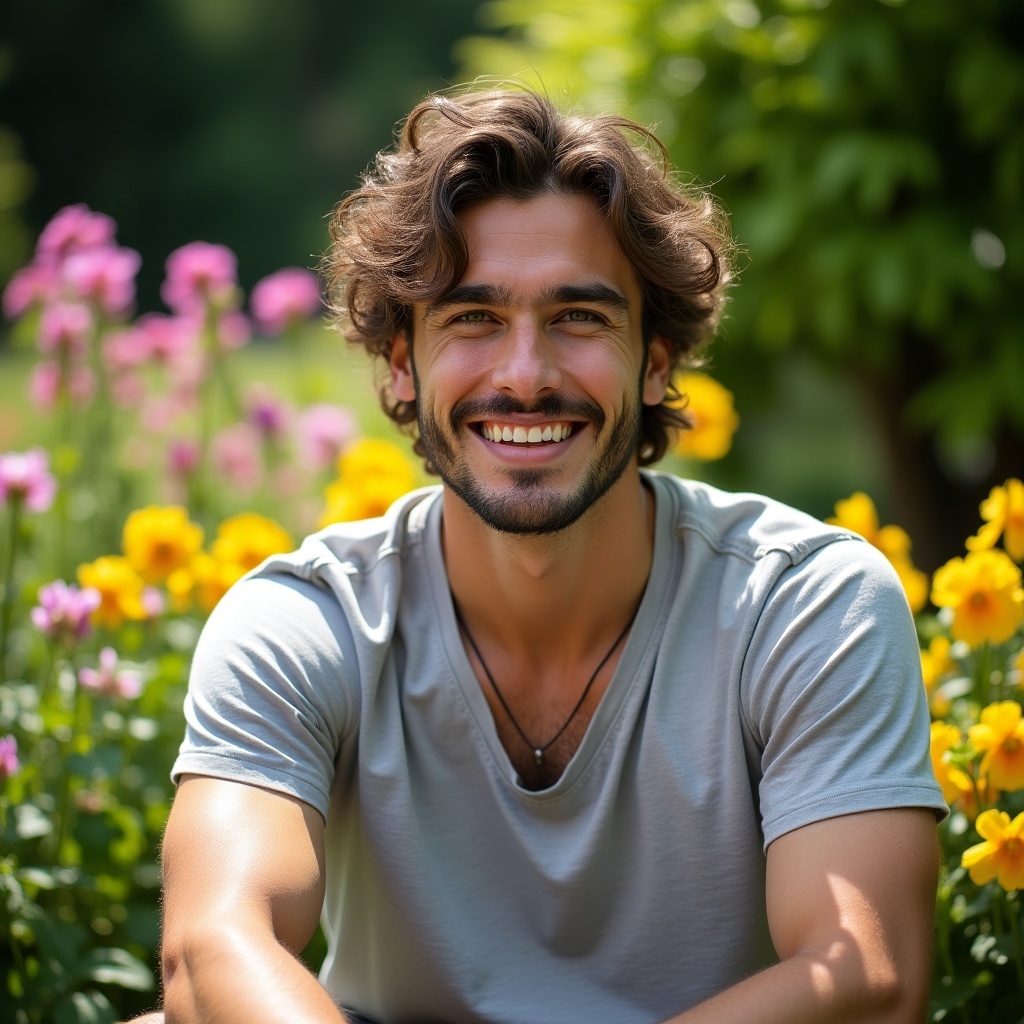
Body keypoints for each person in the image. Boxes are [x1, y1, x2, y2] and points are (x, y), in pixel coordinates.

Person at [148, 88, 946, 1024]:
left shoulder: (803, 603)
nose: (525, 373)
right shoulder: (305, 619)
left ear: (656, 360)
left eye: (579, 317)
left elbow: (864, 977)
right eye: (472, 319)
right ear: (401, 363)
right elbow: (215, 946)